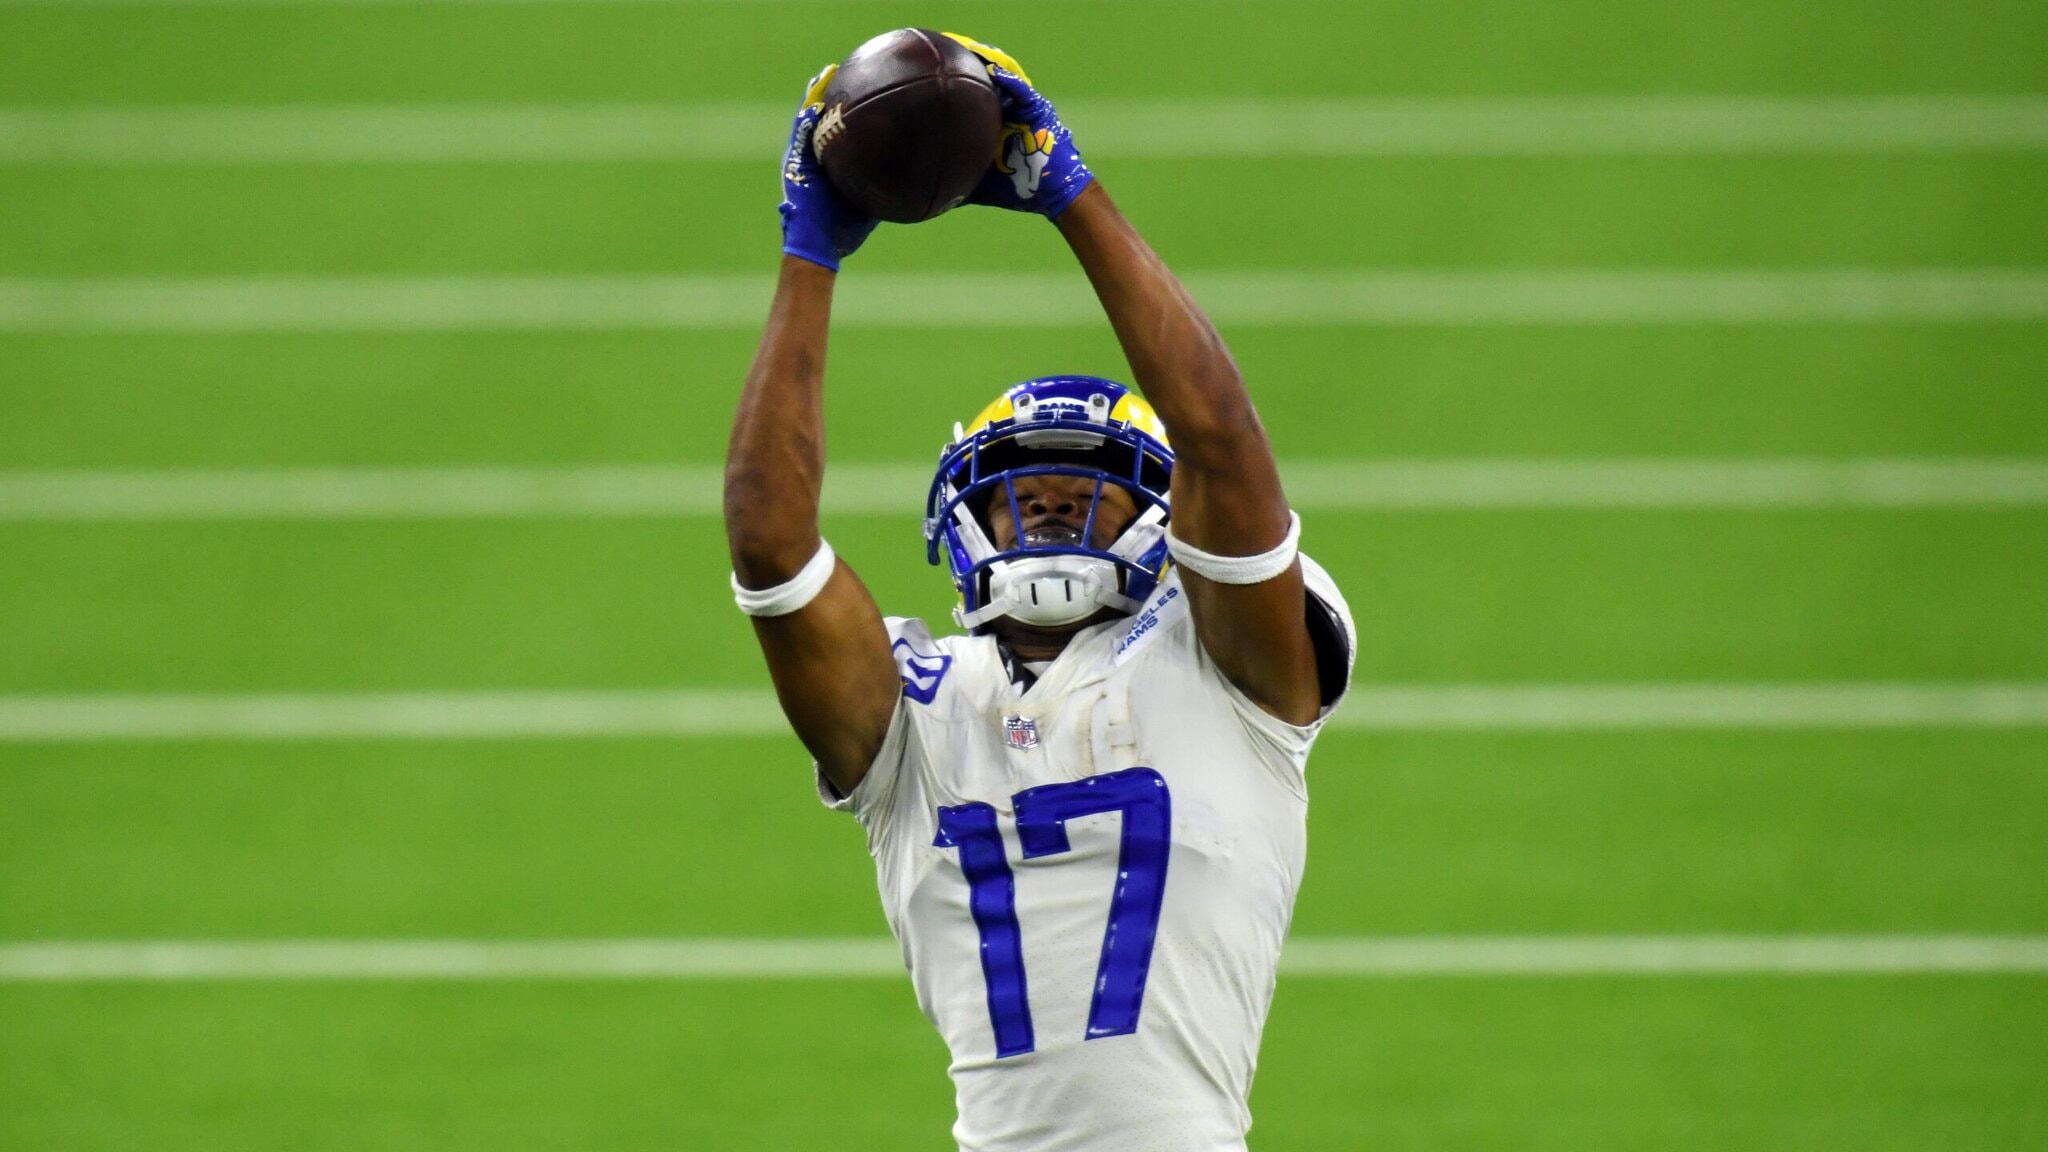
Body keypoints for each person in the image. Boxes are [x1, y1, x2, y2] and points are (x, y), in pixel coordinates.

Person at [723, 35, 1356, 1152]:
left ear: (1161, 518)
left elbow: (1217, 436)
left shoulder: (1229, 675)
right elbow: (771, 548)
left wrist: (1068, 191)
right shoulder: (913, 714)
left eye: (1087, 493)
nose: (1053, 509)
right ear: (963, 518)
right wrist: (807, 252)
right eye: (1024, 493)